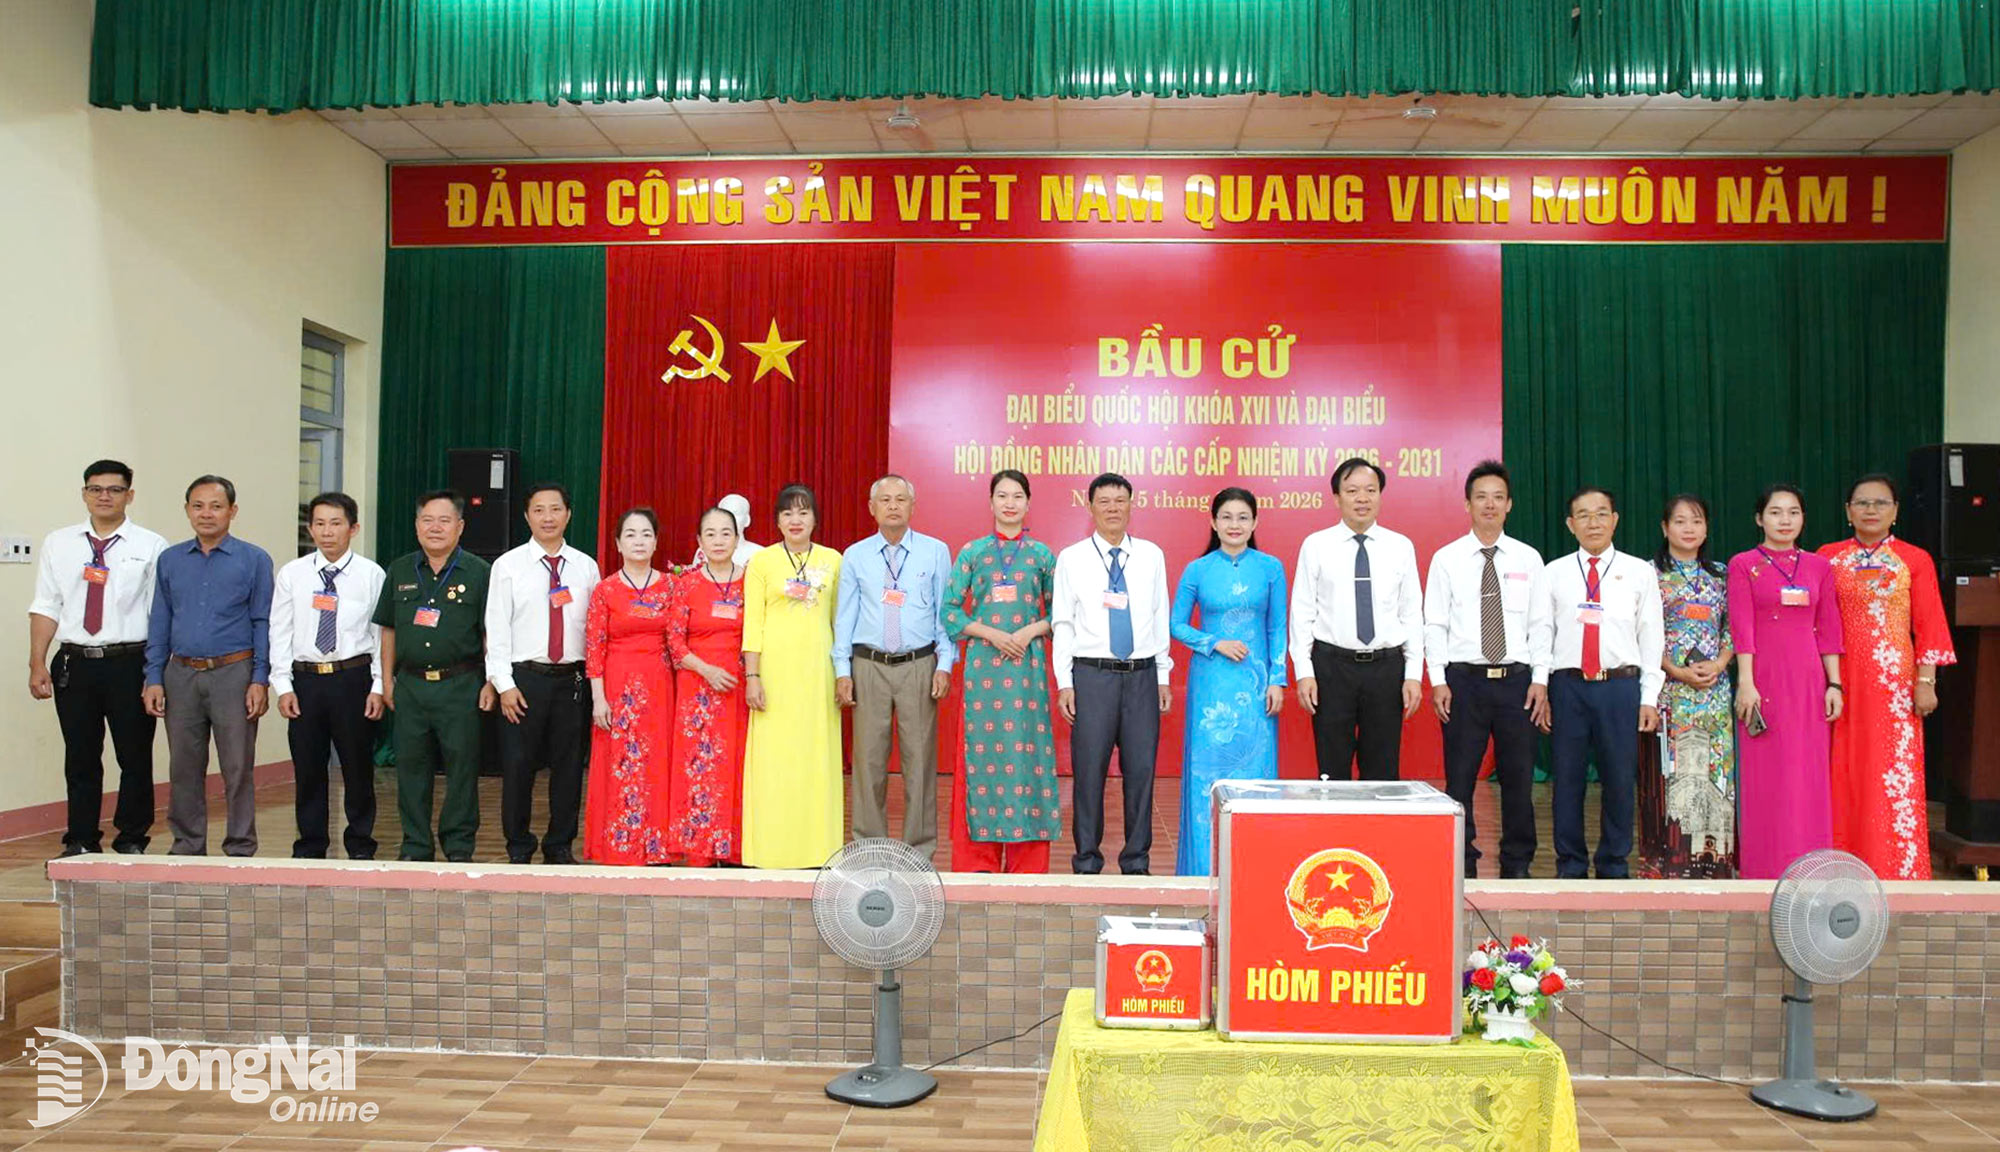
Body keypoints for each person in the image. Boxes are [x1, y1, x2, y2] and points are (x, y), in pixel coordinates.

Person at [28, 459, 168, 856]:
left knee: (134, 756)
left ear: (130, 495)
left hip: (130, 662)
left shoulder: (151, 545)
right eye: (95, 489)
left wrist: (156, 673)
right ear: (84, 493)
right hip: (75, 663)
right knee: (81, 757)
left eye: (114, 489)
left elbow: (159, 614)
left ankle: (131, 838)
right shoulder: (59, 542)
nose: (104, 496)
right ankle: (81, 839)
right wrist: (37, 662)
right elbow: (46, 604)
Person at [1525, 486, 1664, 880]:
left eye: (1602, 513)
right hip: (1568, 687)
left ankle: (1613, 866)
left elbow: (1651, 636)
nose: (1593, 522)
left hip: (1620, 687)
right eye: (1583, 515)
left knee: (1619, 779)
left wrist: (1649, 696)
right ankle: (1569, 865)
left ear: (1615, 520)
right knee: (1567, 780)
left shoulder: (1639, 572)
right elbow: (1542, 632)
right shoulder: (1553, 572)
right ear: (1571, 524)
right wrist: (1542, 685)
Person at [1821, 475, 1950, 879]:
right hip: (1839, 683)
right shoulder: (1828, 558)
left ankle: (1898, 871)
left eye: (1880, 503)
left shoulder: (1914, 559)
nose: (1871, 510)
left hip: (1895, 686)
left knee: (1892, 775)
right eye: (1862, 503)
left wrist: (1925, 682)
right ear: (1848, 511)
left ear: (1896, 510)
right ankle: (1841, 870)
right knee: (1844, 773)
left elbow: (1928, 623)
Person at [1422, 461, 1542, 879]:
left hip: (1517, 682)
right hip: (1464, 682)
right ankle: (1462, 861)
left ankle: (1517, 864)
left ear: (1509, 505)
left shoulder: (1529, 558)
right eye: (1481, 497)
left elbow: (1540, 624)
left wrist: (1540, 680)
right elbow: (1434, 623)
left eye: (1498, 497)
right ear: (1467, 504)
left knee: (1518, 779)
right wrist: (1438, 679)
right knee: (1459, 779)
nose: (1489, 505)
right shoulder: (1447, 559)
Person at [142, 475, 274, 857]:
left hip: (234, 673)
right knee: (183, 767)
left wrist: (260, 678)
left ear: (232, 511)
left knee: (237, 767)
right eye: (198, 506)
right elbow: (160, 620)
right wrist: (154, 676)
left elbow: (262, 621)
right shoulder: (170, 560)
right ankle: (187, 845)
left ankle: (240, 847)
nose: (206, 514)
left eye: (216, 506)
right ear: (187, 510)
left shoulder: (254, 560)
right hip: (180, 674)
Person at [1052, 473, 1173, 876]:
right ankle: (1087, 861)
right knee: (1089, 773)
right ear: (1090, 507)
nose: (1113, 509)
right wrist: (1065, 682)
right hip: (1092, 677)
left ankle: (1136, 862)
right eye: (1104, 501)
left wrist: (1162, 675)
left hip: (1141, 676)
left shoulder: (1151, 555)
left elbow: (1159, 616)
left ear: (1131, 505)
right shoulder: (1072, 558)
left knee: (1141, 773)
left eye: (1120, 501)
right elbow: (1063, 622)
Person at [942, 470, 1059, 874]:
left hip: (1026, 671)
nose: (1010, 503)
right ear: (990, 502)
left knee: (1028, 757)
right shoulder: (972, 553)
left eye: (1017, 496)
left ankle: (1028, 863)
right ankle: (979, 861)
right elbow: (950, 611)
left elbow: (1061, 613)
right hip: (984, 673)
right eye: (1002, 495)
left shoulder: (1042, 556)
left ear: (1028, 503)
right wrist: (990, 633)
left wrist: (1028, 631)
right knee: (980, 758)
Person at [834, 475, 955, 861]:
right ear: (872, 508)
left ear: (912, 506)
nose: (893, 506)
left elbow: (945, 612)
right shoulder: (855, 555)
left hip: (918, 664)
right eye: (884, 500)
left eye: (901, 499)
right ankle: (869, 849)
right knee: (868, 761)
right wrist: (842, 670)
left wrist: (945, 663)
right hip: (868, 665)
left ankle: (919, 851)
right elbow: (845, 616)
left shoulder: (935, 552)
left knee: (920, 761)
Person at [1729, 484, 1844, 880]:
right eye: (1775, 512)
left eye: (1793, 512)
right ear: (1759, 519)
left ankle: (1811, 866)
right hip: (1764, 678)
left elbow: (1829, 628)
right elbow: (1742, 626)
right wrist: (1746, 682)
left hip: (1808, 679)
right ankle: (1763, 868)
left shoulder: (1819, 567)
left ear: (1803, 518)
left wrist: (1835, 684)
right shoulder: (1743, 564)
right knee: (1766, 775)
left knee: (1806, 773)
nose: (1785, 520)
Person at [1170, 487, 1286, 877]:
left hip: (1256, 688)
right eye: (1226, 517)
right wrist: (1213, 642)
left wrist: (1277, 679)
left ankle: (1255, 870)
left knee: (1256, 774)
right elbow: (1176, 625)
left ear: (1255, 522)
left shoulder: (1270, 568)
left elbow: (1277, 627)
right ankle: (1202, 869)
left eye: (1243, 517)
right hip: (1211, 686)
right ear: (1213, 522)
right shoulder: (1198, 570)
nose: (1234, 525)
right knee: (1208, 776)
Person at [375, 490, 495, 863]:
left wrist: (490, 681)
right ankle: (415, 845)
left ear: (460, 526)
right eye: (427, 520)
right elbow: (389, 630)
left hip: (461, 685)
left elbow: (491, 633)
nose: (435, 528)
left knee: (462, 771)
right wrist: (387, 681)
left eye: (444, 520)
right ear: (417, 526)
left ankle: (458, 846)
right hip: (410, 687)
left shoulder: (479, 572)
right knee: (411, 770)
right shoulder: (399, 570)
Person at [486, 482, 600, 865]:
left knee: (569, 769)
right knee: (518, 768)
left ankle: (559, 846)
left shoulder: (586, 567)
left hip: (573, 682)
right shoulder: (508, 566)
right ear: (527, 516)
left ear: (568, 514)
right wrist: (504, 685)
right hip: (523, 681)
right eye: (539, 510)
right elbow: (496, 629)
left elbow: (595, 630)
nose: (547, 517)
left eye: (555, 509)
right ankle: (518, 847)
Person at [1290, 458, 1424, 781]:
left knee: (1382, 770)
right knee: (1332, 768)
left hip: (1386, 669)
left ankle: (1378, 817)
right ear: (1337, 498)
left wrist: (1413, 674)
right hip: (1332, 668)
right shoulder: (1316, 545)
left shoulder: (1400, 546)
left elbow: (1411, 614)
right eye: (1352, 491)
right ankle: (1334, 818)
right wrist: (1304, 672)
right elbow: (1302, 612)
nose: (1362, 498)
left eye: (1370, 490)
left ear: (1380, 495)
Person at [270, 491, 385, 860]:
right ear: (310, 529)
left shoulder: (371, 574)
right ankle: (310, 845)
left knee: (357, 767)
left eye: (336, 523)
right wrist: (282, 685)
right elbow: (280, 631)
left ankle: (361, 844)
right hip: (305, 681)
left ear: (353, 528)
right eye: (319, 524)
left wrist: (379, 686)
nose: (327, 532)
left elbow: (380, 636)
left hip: (353, 678)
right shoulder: (293, 574)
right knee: (308, 768)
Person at [741, 485, 843, 868]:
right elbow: (753, 623)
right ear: (777, 521)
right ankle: (769, 849)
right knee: (774, 761)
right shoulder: (762, 562)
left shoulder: (833, 560)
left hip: (818, 673)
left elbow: (839, 622)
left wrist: (842, 673)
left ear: (815, 518)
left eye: (803, 512)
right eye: (787, 513)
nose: (795, 520)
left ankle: (818, 850)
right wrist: (753, 674)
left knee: (817, 758)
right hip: (774, 674)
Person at [1640, 494, 1737, 879]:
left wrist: (1720, 663)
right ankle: (1666, 865)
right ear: (1665, 528)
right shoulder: (1649, 574)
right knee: (1671, 776)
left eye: (1696, 521)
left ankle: (1715, 864)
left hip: (1713, 693)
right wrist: (1674, 671)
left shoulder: (1721, 574)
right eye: (1680, 521)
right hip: (1670, 693)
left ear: (1707, 528)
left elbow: (1733, 627)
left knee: (1715, 776)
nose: (1689, 529)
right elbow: (1644, 632)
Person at [583, 508, 676, 866]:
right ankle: (619, 846)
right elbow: (595, 646)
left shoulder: (671, 586)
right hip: (616, 688)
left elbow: (679, 641)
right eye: (631, 534)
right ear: (618, 543)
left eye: (646, 534)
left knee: (656, 765)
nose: (639, 541)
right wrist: (598, 698)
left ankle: (657, 848)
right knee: (619, 765)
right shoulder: (605, 590)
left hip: (660, 687)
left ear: (656, 542)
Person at [666, 507, 750, 866]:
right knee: (699, 766)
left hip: (739, 687)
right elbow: (674, 642)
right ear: (699, 541)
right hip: (697, 687)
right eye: (710, 534)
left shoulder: (752, 581)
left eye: (725, 533)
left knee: (736, 766)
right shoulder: (686, 584)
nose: (718, 541)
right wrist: (706, 670)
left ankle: (734, 849)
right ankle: (700, 849)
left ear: (737, 538)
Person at [692, 492, 760, 567]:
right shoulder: (704, 551)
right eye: (726, 514)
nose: (731, 518)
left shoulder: (759, 553)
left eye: (736, 513)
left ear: (747, 520)